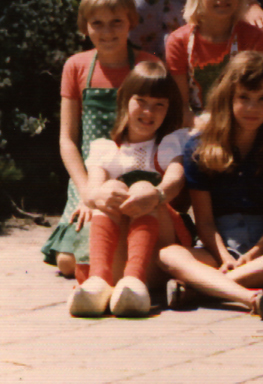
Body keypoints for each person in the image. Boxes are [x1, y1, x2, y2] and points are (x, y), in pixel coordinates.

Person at [158, 53, 263, 319]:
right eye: (243, 98)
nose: (252, 108)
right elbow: (205, 223)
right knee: (168, 255)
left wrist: (256, 253)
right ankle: (249, 296)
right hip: (219, 245)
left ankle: (209, 287)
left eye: (262, 99)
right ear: (228, 98)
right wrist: (224, 257)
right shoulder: (198, 148)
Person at [43, 0, 163, 278]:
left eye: (116, 22)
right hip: (89, 177)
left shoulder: (147, 65)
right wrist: (86, 192)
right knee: (69, 263)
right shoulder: (77, 66)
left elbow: (162, 125)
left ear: (131, 22)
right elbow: (68, 140)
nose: (107, 32)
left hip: (136, 170)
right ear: (85, 26)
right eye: (98, 23)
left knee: (116, 252)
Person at [67, 63, 189, 317]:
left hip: (158, 248)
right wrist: (99, 195)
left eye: (159, 105)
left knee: (144, 187)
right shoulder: (106, 149)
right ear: (125, 101)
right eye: (141, 101)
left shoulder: (167, 144)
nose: (148, 111)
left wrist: (156, 194)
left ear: (169, 109)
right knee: (108, 187)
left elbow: (175, 180)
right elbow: (91, 191)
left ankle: (135, 281)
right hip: (117, 246)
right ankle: (99, 282)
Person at [165, 0, 263, 124]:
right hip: (198, 123)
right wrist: (205, 126)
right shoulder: (178, 41)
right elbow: (181, 108)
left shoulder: (254, 37)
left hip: (244, 122)